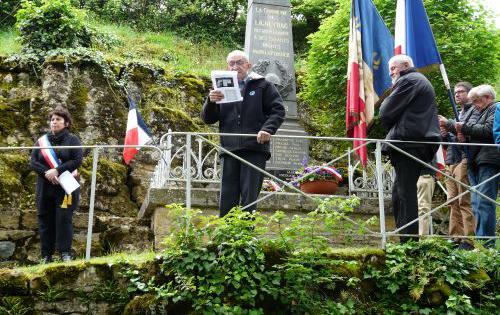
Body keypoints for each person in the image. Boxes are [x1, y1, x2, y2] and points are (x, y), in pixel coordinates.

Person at [201, 50, 285, 217]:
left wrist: (267, 129)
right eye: (231, 63)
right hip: (229, 148)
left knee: (249, 197)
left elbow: (278, 110)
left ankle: (245, 239)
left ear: (248, 65)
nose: (235, 66)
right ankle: (225, 238)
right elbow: (208, 119)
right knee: (227, 196)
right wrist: (210, 102)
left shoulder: (263, 85)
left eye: (239, 62)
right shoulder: (220, 87)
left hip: (255, 148)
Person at [379, 55, 440, 243]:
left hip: (410, 143)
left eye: (393, 68)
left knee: (405, 194)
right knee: (400, 193)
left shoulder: (409, 79)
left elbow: (385, 111)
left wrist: (386, 109)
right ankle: (406, 241)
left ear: (405, 66)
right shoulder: (415, 80)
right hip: (412, 142)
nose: (391, 72)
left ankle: (409, 245)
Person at [30, 106, 83, 263]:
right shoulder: (41, 141)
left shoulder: (73, 140)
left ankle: (64, 253)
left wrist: (57, 170)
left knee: (63, 219)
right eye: (52, 119)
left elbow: (77, 160)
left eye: (58, 119)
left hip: (65, 186)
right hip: (45, 186)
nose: (54, 122)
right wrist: (48, 173)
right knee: (45, 219)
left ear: (66, 123)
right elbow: (33, 162)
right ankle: (46, 255)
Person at [456, 85, 499, 247]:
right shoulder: (476, 111)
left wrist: (465, 128)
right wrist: (461, 135)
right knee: (475, 202)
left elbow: (489, 131)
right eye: (472, 102)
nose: (474, 105)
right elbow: (470, 130)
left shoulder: (495, 108)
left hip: (489, 159)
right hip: (474, 160)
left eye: (477, 101)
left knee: (484, 202)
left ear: (488, 97)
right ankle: (481, 243)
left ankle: (487, 246)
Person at [438, 82, 474, 249]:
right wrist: (444, 135)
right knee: (452, 201)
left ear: (470, 93)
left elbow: (467, 133)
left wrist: (449, 124)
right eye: (456, 92)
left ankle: (469, 239)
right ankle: (456, 236)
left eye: (461, 92)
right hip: (451, 160)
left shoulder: (474, 111)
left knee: (463, 200)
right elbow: (449, 142)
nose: (457, 94)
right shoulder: (459, 112)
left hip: (463, 159)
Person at [417, 159, 436, 236]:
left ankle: (422, 238)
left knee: (423, 209)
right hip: (422, 173)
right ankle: (420, 238)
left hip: (424, 172)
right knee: (423, 208)